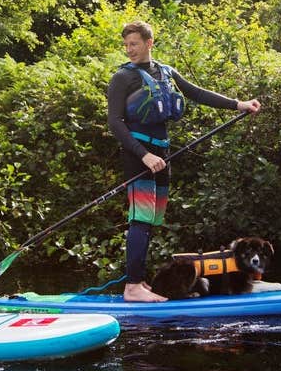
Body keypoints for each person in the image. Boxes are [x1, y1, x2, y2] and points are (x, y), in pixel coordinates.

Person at [106, 21, 261, 302]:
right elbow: (114, 123)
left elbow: (197, 93)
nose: (129, 50)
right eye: (126, 45)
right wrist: (144, 155)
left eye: (135, 44)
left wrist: (239, 104)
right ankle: (133, 287)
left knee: (151, 220)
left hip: (162, 155)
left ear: (149, 43)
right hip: (138, 156)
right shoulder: (122, 78)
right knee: (140, 220)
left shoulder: (165, 72)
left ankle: (138, 282)